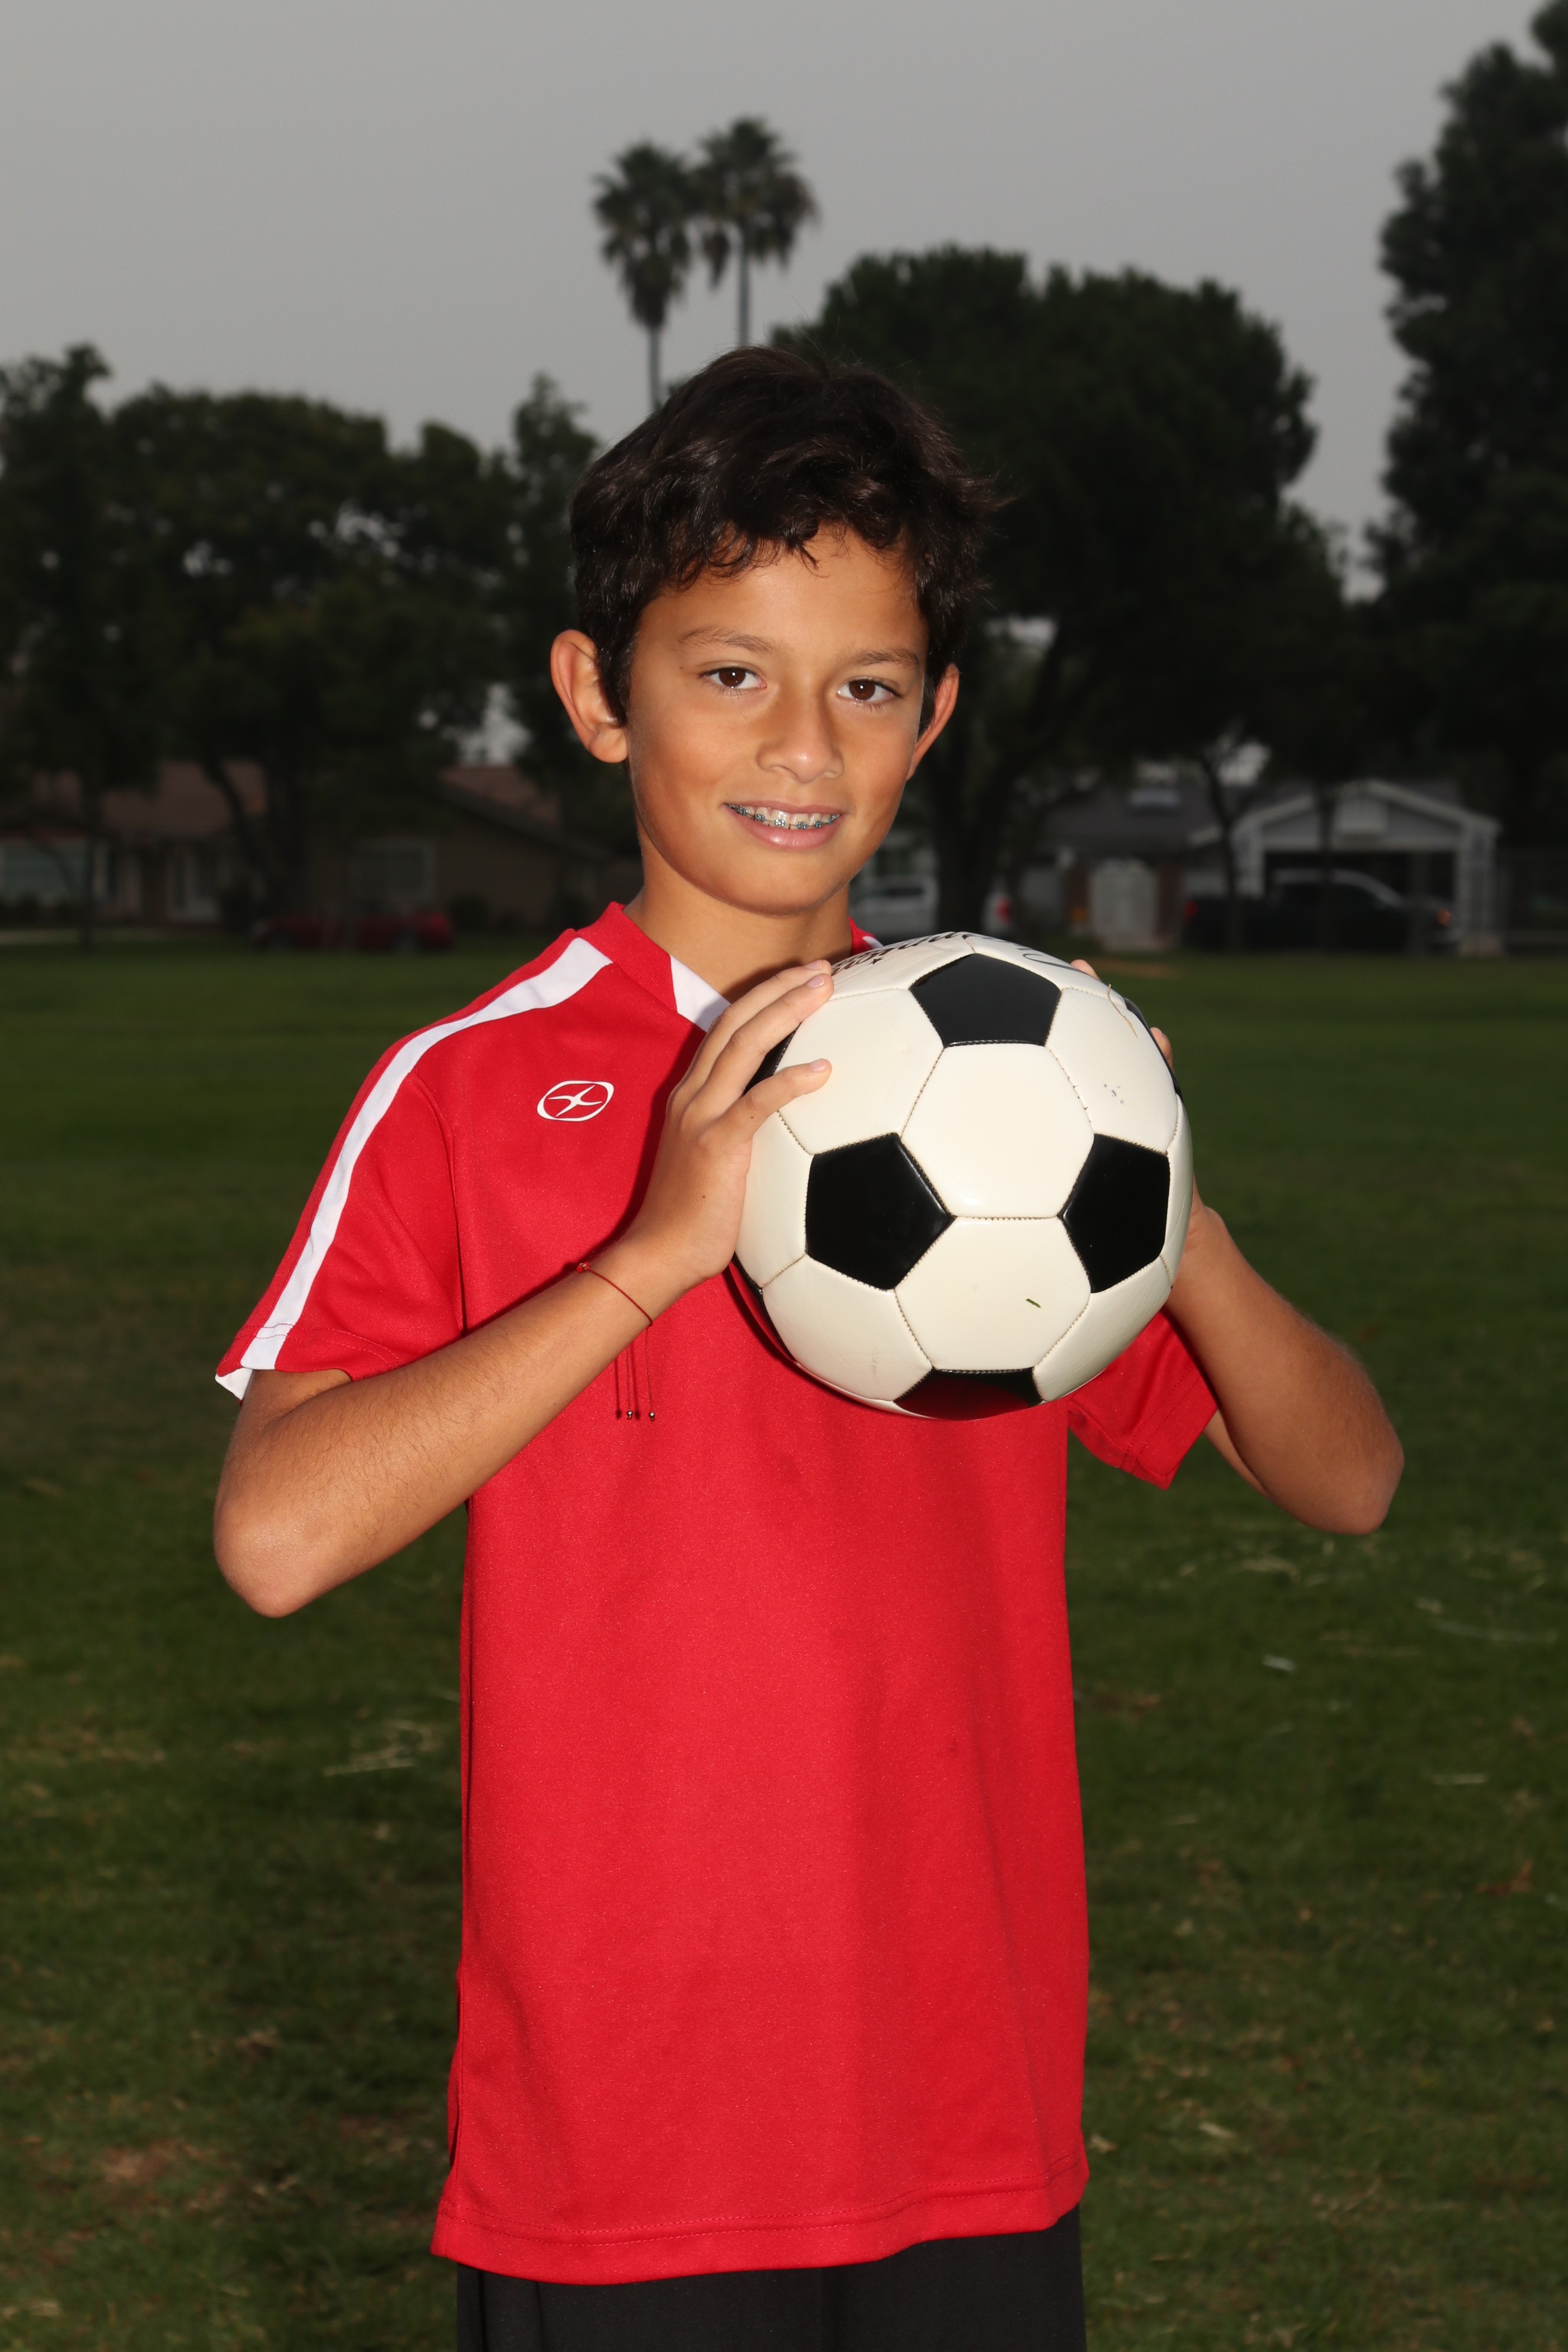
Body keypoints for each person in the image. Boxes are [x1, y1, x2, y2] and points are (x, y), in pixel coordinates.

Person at [214, 347, 1403, 2352]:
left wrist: (1166, 1201)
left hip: (967, 2123)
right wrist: (656, 1255)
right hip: (622, 2159)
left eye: (863, 686)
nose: (799, 743)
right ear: (598, 694)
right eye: (728, 671)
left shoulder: (1021, 1104)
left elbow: (1350, 1478)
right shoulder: (468, 1090)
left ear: (931, 717)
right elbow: (276, 1539)